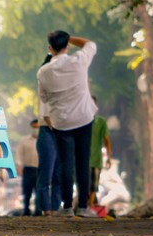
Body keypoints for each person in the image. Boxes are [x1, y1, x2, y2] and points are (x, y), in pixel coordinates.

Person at [37, 31, 99, 218]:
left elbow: (44, 97)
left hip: (61, 122)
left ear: (50, 49)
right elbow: (90, 42)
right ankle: (83, 206)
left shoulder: (43, 72)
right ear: (68, 46)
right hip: (83, 118)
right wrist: (69, 38)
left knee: (65, 164)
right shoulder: (79, 60)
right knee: (83, 162)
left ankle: (66, 207)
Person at [35, 55, 62, 217]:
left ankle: (55, 208)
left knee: (58, 173)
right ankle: (46, 209)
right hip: (48, 131)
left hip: (59, 132)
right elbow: (47, 116)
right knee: (46, 173)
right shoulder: (44, 85)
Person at [88, 97, 112, 206]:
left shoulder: (100, 122)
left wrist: (109, 158)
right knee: (82, 185)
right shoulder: (78, 122)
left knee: (93, 186)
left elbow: (106, 140)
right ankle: (85, 205)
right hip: (80, 160)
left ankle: (89, 206)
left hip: (95, 160)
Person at [15, 119, 40, 216]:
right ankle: (26, 210)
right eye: (34, 127)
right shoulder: (24, 141)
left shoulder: (44, 141)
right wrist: (18, 166)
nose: (36, 129)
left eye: (38, 127)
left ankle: (38, 210)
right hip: (28, 169)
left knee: (39, 191)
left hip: (40, 169)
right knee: (27, 191)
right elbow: (19, 154)